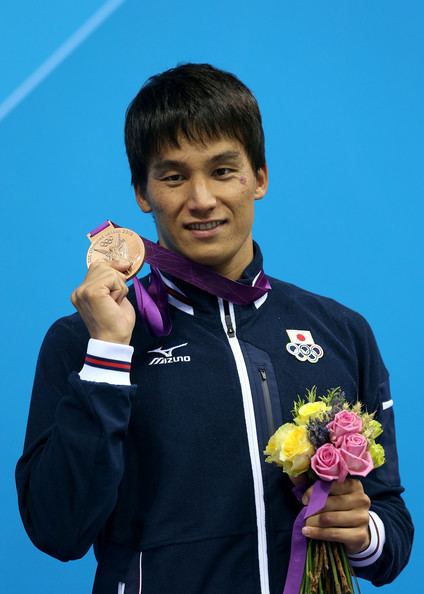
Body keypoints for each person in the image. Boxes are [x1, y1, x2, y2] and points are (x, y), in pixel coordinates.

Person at [16, 63, 413, 594]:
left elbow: (391, 531)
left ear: (260, 178)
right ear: (142, 191)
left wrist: (363, 534)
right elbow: (56, 530)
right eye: (174, 176)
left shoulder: (342, 331)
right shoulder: (84, 341)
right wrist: (108, 354)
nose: (201, 199)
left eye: (223, 171)